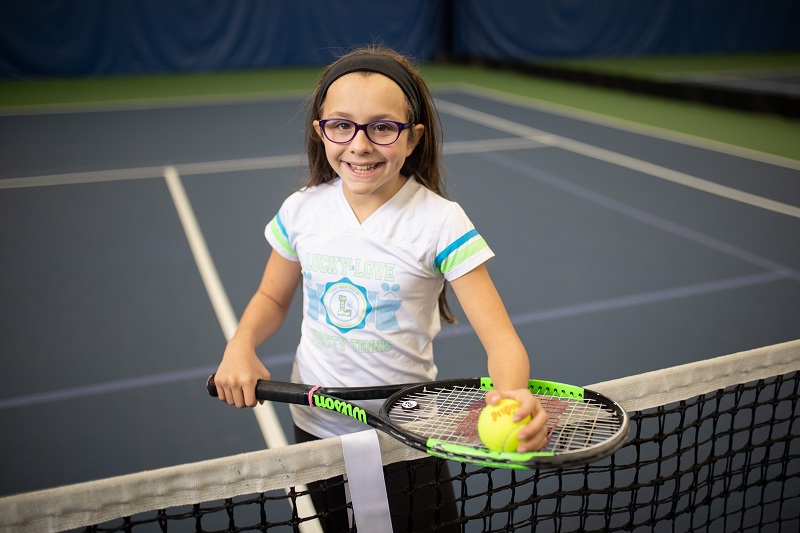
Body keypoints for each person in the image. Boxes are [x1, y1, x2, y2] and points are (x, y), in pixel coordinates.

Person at [213, 45, 549, 531]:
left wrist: (513, 392)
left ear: (413, 138)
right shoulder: (301, 210)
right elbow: (271, 297)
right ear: (320, 131)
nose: (360, 145)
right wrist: (240, 346)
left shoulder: (441, 222)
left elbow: (500, 339)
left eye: (382, 127)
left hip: (406, 434)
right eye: (342, 125)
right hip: (316, 431)